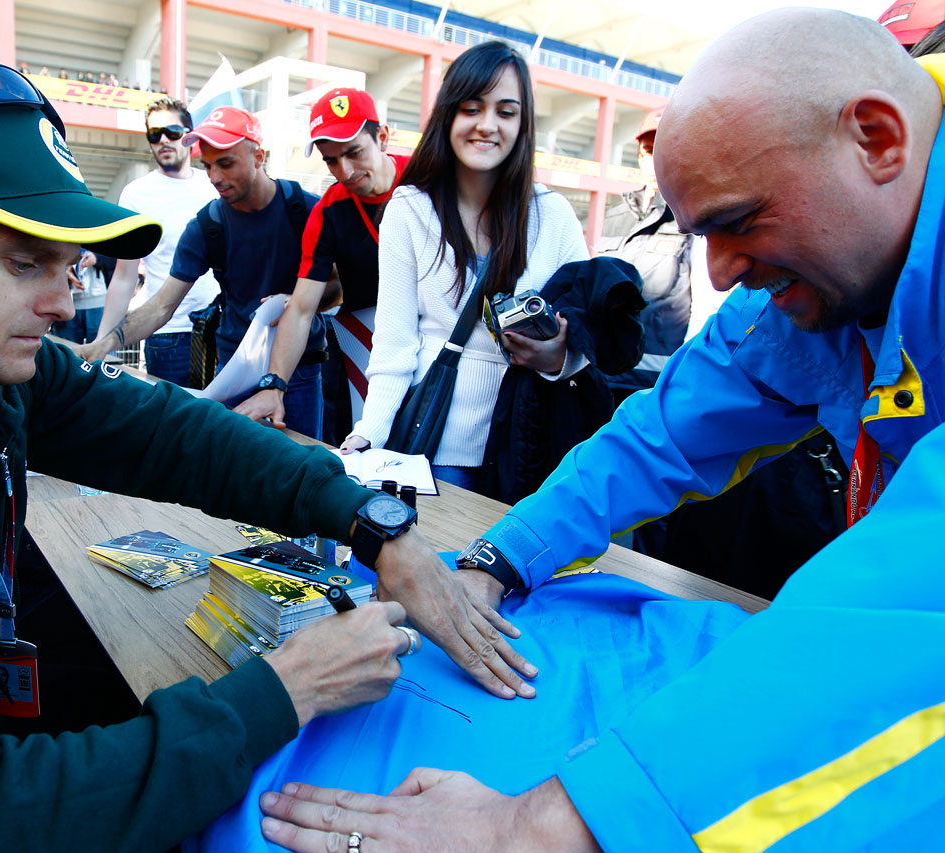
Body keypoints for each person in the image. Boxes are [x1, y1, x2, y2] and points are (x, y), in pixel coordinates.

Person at [0, 66, 533, 851]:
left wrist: (371, 520)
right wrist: (284, 688)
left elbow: (168, 433)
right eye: (23, 262)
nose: (63, 303)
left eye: (70, 265)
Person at [258, 10, 945, 849]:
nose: (723, 272)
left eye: (739, 221)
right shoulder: (816, 285)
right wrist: (496, 561)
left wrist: (539, 828)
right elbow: (661, 436)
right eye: (703, 237)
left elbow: (911, 590)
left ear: (876, 140)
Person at [341, 41, 588, 492]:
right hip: (437, 450)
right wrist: (369, 432)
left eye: (506, 112)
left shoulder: (554, 214)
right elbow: (395, 340)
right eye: (471, 108)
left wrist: (559, 359)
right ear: (448, 115)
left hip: (530, 448)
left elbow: (586, 337)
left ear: (523, 123)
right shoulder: (410, 208)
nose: (487, 126)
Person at [78, 107, 331, 438]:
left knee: (304, 470)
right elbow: (161, 305)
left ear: (259, 156)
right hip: (236, 369)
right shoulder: (207, 226)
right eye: (207, 165)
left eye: (226, 163)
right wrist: (104, 344)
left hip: (301, 368)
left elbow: (338, 288)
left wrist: (295, 299)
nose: (215, 177)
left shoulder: (307, 210)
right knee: (232, 474)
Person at [232, 87, 405, 438]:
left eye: (354, 152)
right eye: (331, 160)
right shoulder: (327, 211)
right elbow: (301, 308)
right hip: (367, 350)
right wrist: (274, 384)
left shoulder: (430, 181)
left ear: (383, 137)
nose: (345, 170)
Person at [594, 107, 723, 402]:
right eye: (648, 150)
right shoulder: (616, 216)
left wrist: (689, 379)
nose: (653, 161)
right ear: (639, 155)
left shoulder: (694, 219)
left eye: (663, 150)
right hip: (601, 379)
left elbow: (707, 307)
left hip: (658, 388)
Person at [92, 96, 220, 386]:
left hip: (222, 331)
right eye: (154, 134)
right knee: (173, 429)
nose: (163, 140)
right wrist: (102, 342)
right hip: (166, 334)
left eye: (172, 133)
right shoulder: (136, 194)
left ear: (189, 135)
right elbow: (124, 277)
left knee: (220, 428)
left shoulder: (214, 184)